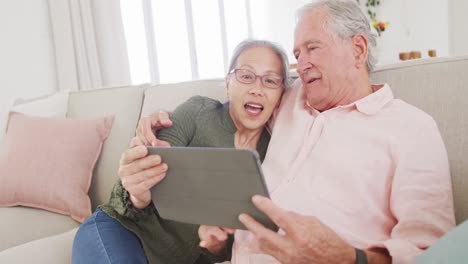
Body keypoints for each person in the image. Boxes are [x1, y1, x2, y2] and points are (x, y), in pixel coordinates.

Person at [136, 0, 456, 263]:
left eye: (312, 48)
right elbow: (240, 100)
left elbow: (435, 253)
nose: (300, 65)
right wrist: (161, 118)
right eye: (297, 54)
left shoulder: (411, 128)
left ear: (358, 50)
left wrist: (347, 257)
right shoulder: (290, 99)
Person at [71, 39, 290, 264]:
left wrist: (216, 246)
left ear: (282, 94)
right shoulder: (197, 113)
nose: (257, 89)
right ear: (227, 84)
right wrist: (138, 194)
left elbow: (231, 244)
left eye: (270, 81)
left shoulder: (278, 154)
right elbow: (134, 184)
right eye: (246, 76)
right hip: (122, 233)